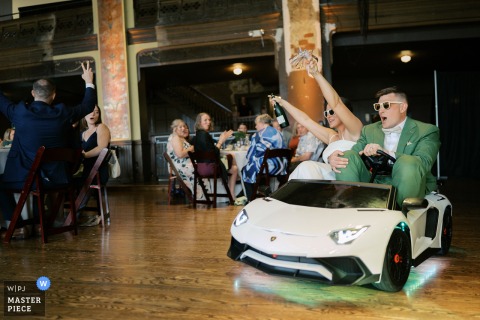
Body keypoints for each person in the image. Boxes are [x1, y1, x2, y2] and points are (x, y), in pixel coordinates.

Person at [0, 61, 96, 239]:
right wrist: (88, 81)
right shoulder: (63, 112)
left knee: (5, 181)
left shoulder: (19, 112)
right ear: (54, 95)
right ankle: (38, 223)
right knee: (37, 178)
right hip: (57, 179)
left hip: (27, 180)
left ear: (32, 93)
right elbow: (88, 105)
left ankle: (18, 226)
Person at [335, 86, 440, 206]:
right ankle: (350, 210)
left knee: (408, 162)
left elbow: (424, 162)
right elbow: (354, 153)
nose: (380, 111)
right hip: (374, 181)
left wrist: (387, 152)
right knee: (346, 157)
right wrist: (335, 158)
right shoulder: (369, 130)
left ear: (402, 107)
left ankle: (402, 215)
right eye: (378, 107)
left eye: (386, 105)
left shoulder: (426, 130)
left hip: (408, 182)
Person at [271, 54, 363, 180]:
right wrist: (282, 103)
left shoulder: (355, 129)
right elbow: (305, 120)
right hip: (330, 176)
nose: (328, 116)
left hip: (350, 177)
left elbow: (336, 102)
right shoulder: (332, 136)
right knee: (305, 167)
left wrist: (315, 73)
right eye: (326, 113)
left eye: (331, 112)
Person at [76, 104, 111, 226]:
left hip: (98, 170)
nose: (93, 114)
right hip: (85, 170)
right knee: (66, 180)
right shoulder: (82, 133)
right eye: (90, 112)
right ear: (84, 115)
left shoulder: (101, 127)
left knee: (84, 181)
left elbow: (102, 148)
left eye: (96, 112)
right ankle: (69, 216)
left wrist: (84, 156)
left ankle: (73, 217)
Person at [191, 112, 238, 200]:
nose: (208, 122)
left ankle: (230, 194)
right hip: (209, 168)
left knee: (231, 159)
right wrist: (221, 141)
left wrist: (222, 138)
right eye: (205, 120)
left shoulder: (197, 135)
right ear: (199, 122)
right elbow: (214, 154)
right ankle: (232, 195)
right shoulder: (204, 135)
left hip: (199, 168)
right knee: (234, 168)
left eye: (209, 120)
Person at [242, 114, 286, 201]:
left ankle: (252, 200)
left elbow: (251, 155)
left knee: (245, 169)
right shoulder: (278, 133)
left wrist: (249, 159)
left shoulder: (258, 135)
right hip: (281, 167)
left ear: (261, 123)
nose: (255, 126)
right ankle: (263, 193)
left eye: (256, 124)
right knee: (257, 168)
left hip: (267, 167)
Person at [166, 119, 210, 200]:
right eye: (180, 127)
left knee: (202, 167)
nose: (183, 128)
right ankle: (201, 197)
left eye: (184, 126)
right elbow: (180, 154)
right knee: (198, 169)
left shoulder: (181, 138)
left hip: (185, 163)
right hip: (179, 166)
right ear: (174, 129)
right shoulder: (175, 138)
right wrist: (192, 148)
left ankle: (205, 196)